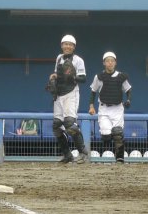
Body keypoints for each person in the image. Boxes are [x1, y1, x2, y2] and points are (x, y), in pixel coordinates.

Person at [48, 35, 88, 164]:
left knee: (70, 124)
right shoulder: (59, 58)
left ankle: (82, 152)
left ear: (74, 47)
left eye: (70, 44)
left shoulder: (78, 60)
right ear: (61, 45)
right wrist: (53, 77)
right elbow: (58, 74)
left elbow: (83, 78)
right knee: (56, 126)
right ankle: (67, 154)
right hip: (59, 94)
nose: (67, 46)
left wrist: (73, 77)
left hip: (71, 93)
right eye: (65, 44)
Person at [88, 52, 132, 164]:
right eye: (107, 61)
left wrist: (128, 100)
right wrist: (91, 106)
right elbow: (93, 91)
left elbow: (128, 90)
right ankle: (111, 139)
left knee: (117, 133)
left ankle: (120, 158)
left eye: (112, 60)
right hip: (104, 108)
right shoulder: (99, 77)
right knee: (106, 137)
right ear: (104, 63)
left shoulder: (121, 77)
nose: (110, 63)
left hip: (117, 108)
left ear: (115, 62)